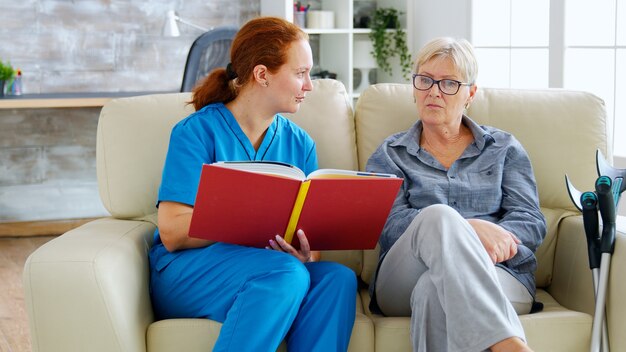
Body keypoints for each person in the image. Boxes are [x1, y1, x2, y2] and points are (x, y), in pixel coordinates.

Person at [149, 17, 356, 352]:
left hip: (270, 266)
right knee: (286, 274)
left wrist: (306, 253)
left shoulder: (300, 144)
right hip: (190, 271)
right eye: (300, 73)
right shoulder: (196, 132)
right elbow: (172, 232)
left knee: (337, 279)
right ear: (262, 75)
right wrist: (248, 220)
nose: (310, 85)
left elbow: (311, 244)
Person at [366, 37, 547, 352]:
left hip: (498, 272)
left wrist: (488, 239)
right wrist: (470, 228)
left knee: (432, 291)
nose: (434, 91)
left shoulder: (503, 148)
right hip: (402, 277)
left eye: (449, 83)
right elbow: (388, 226)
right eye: (425, 80)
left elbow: (531, 221)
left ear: (470, 94)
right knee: (437, 215)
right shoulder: (391, 153)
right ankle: (509, 345)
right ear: (414, 87)